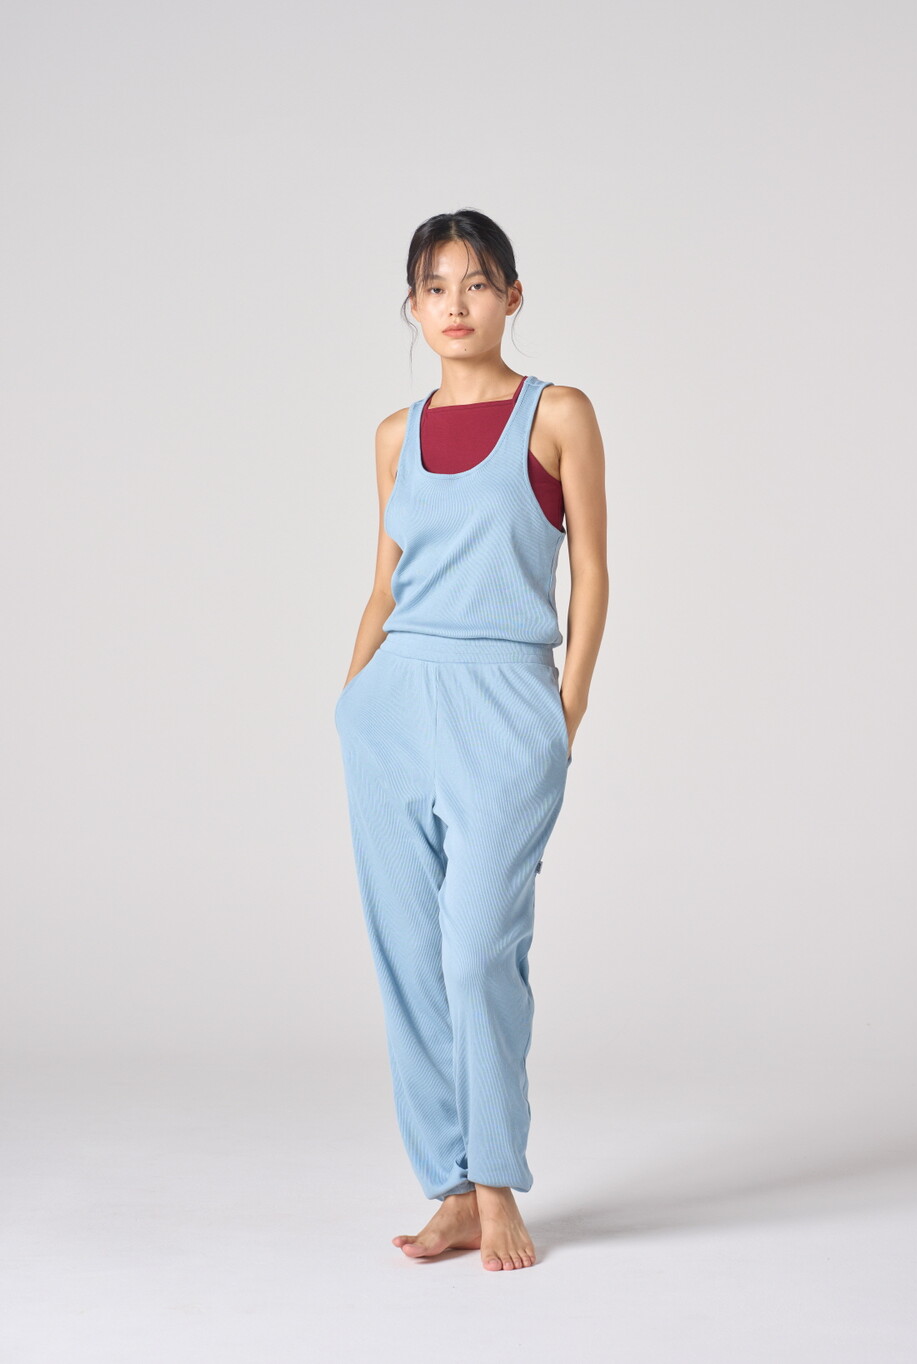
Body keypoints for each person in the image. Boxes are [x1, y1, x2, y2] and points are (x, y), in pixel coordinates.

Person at [334, 209, 608, 1271]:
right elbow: (383, 584)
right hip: (393, 708)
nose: (455, 304)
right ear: (412, 306)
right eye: (435, 287)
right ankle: (450, 1188)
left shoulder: (559, 413)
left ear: (512, 297)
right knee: (410, 956)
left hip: (506, 702)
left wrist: (560, 720)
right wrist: (351, 700)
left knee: (478, 948)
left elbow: (593, 574)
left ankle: (496, 1180)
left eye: (477, 283)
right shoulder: (393, 435)